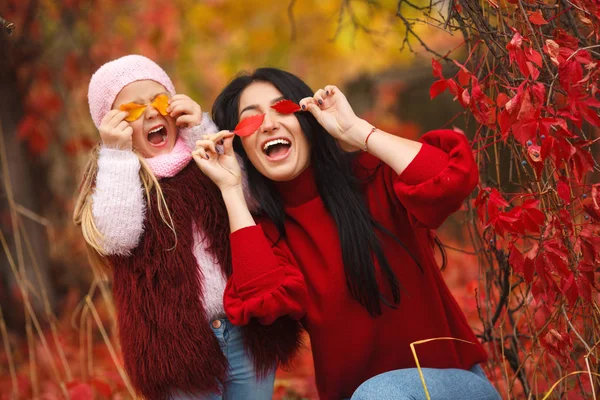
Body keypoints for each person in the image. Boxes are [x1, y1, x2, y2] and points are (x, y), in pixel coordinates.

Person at [193, 67, 501, 400]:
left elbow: (450, 179)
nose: (269, 124)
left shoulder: (373, 176)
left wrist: (357, 130)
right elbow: (261, 301)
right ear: (240, 147)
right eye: (250, 120)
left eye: (282, 108)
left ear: (307, 119)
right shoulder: (268, 235)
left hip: (453, 386)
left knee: (379, 393)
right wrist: (231, 188)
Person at [73, 57, 304, 400]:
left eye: (159, 99)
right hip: (176, 348)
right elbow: (118, 237)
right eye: (133, 110)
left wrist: (203, 130)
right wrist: (117, 155)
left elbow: (254, 199)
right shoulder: (116, 176)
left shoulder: (203, 150)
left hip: (246, 332)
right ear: (113, 125)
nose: (152, 112)